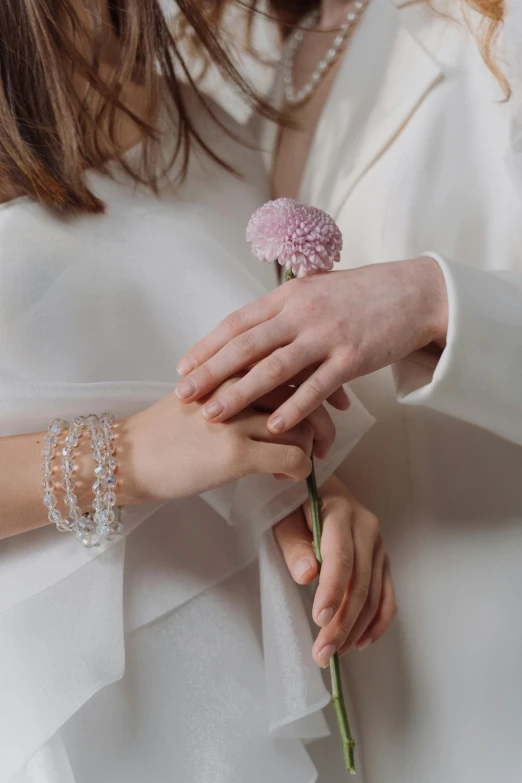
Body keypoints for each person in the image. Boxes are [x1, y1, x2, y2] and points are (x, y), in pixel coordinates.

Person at [0, 2, 397, 782]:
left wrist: (308, 492)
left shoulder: (200, 111)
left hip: (232, 669)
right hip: (52, 689)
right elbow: (159, 432)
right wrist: (126, 455)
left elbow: (192, 352)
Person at [176, 1, 522, 781]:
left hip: (496, 644)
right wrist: (311, 489)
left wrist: (431, 301)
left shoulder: (493, 28)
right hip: (322, 677)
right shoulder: (208, 65)